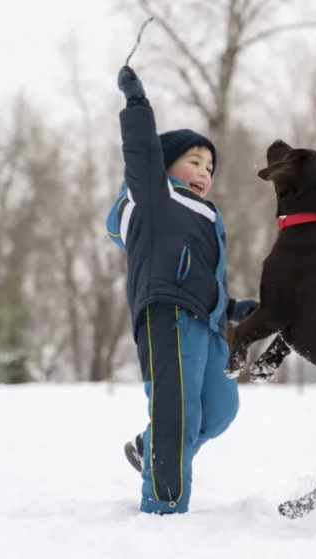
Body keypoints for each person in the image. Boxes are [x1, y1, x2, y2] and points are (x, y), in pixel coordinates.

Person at [105, 65, 258, 514]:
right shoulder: (155, 197)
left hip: (206, 322)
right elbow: (140, 152)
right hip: (167, 314)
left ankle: (146, 448)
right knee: (179, 411)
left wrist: (230, 308)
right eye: (194, 161)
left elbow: (198, 274)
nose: (204, 172)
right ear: (165, 163)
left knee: (220, 409)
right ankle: (165, 504)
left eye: (209, 166)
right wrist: (137, 105)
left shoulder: (205, 214)